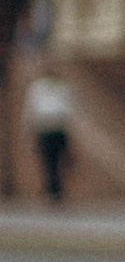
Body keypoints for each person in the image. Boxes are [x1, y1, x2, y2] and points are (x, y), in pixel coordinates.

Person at [23, 68, 74, 204]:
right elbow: (32, 108)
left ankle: (54, 188)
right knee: (50, 160)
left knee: (53, 160)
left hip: (53, 127)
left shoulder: (55, 87)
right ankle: (53, 189)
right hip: (50, 127)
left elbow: (31, 109)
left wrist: (27, 129)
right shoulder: (40, 87)